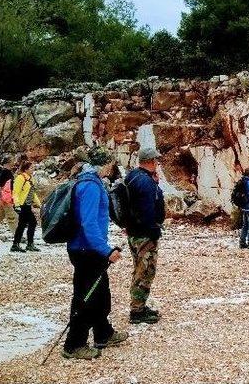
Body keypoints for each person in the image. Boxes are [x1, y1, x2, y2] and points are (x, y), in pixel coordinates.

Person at [63, 148, 128, 360]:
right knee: (86, 297)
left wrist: (103, 247)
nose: (113, 168)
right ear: (106, 164)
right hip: (86, 250)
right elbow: (88, 223)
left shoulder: (89, 181)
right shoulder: (90, 186)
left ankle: (103, 333)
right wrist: (105, 250)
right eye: (111, 164)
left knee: (100, 294)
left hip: (87, 248)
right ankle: (74, 344)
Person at [125, 147, 166, 325]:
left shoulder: (132, 177)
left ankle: (139, 305)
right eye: (156, 160)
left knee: (139, 268)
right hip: (145, 234)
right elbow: (149, 210)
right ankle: (137, 310)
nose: (157, 163)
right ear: (150, 161)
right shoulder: (146, 183)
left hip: (133, 231)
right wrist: (154, 230)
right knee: (146, 270)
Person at [11, 161, 41, 252]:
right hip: (21, 205)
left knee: (26, 224)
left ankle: (22, 244)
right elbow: (15, 192)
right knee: (28, 223)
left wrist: (38, 204)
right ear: (26, 169)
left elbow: (32, 193)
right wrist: (16, 205)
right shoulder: (20, 178)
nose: (33, 169)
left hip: (27, 205)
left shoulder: (31, 178)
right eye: (31, 168)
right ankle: (22, 244)